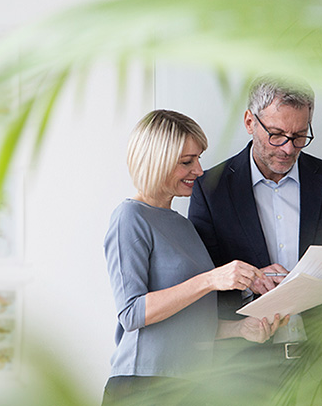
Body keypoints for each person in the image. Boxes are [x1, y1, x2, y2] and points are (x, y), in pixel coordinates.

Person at [188, 77, 322, 395]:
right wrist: (250, 282)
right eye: (276, 135)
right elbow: (201, 285)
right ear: (250, 122)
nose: (288, 148)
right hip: (243, 373)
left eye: (300, 136)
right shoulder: (211, 189)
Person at [102, 109, 289, 405]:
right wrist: (212, 279)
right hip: (145, 385)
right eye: (187, 162)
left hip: (192, 384)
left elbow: (187, 322)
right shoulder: (131, 217)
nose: (199, 171)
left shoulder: (183, 225)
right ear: (156, 161)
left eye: (199, 158)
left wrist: (240, 329)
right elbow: (132, 313)